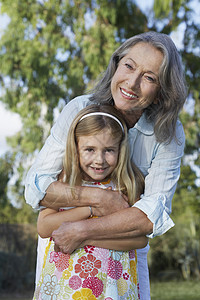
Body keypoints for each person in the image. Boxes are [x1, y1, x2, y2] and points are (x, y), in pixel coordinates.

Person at [25, 31, 187, 300]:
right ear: (116, 65)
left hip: (120, 265)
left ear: (161, 93)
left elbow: (149, 217)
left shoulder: (168, 134)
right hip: (64, 260)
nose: (132, 83)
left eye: (149, 78)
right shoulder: (80, 109)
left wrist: (83, 231)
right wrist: (98, 199)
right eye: (129, 66)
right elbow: (36, 188)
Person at [33, 104, 147, 300]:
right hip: (66, 286)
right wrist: (90, 207)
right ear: (76, 148)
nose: (99, 160)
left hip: (113, 285)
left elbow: (140, 239)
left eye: (109, 150)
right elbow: (44, 227)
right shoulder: (65, 180)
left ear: (121, 149)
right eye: (90, 149)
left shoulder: (126, 185)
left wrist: (84, 238)